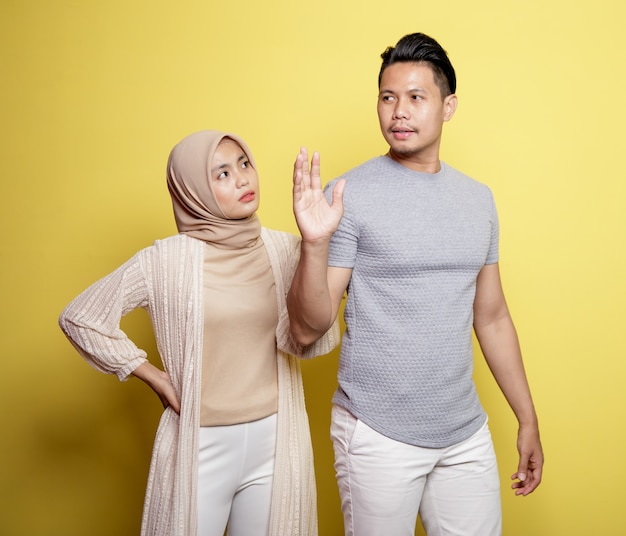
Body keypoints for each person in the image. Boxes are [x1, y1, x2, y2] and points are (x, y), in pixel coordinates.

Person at [287, 32, 544, 536]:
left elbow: (490, 316)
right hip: (377, 433)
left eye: (415, 97)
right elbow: (306, 328)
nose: (398, 111)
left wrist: (527, 416)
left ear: (447, 107)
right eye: (387, 97)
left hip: (463, 433)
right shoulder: (347, 193)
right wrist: (315, 243)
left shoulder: (478, 200)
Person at [58, 130, 339, 536]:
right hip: (201, 444)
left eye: (244, 164)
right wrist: (149, 374)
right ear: (192, 192)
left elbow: (312, 333)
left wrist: (318, 245)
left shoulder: (287, 249)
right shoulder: (166, 261)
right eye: (222, 174)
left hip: (274, 440)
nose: (243, 179)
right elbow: (81, 316)